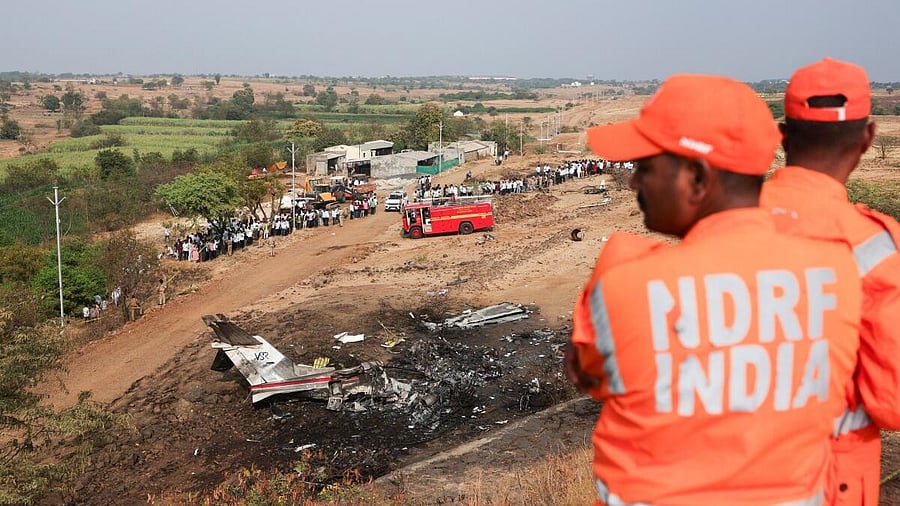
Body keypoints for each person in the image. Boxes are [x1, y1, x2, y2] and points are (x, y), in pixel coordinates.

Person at [568, 74, 862, 505]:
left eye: (646, 168)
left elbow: (590, 374)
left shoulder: (628, 285)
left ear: (698, 179)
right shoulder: (838, 271)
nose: (634, 183)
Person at [760, 57, 900, 505]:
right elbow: (892, 400)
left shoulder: (720, 220)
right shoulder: (877, 246)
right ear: (868, 137)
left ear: (782, 135)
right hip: (829, 480)